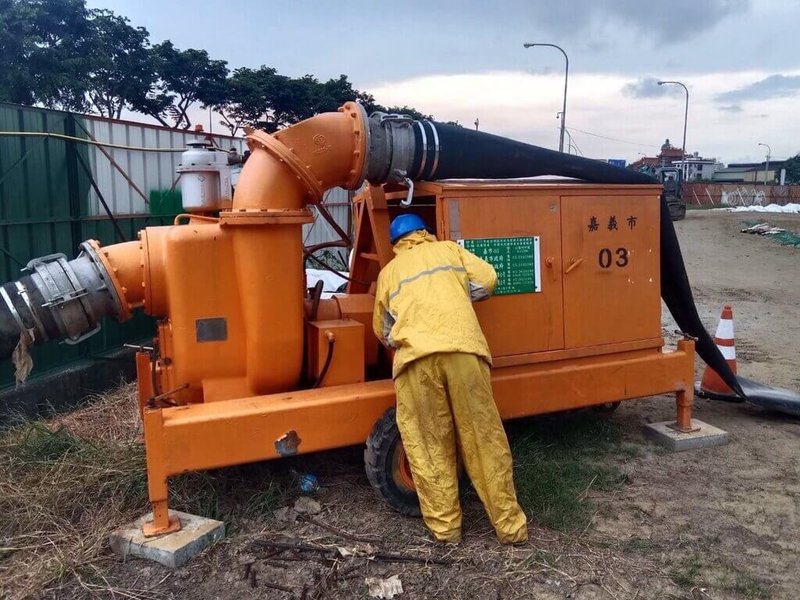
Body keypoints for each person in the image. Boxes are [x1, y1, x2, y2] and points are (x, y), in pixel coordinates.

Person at [372, 213, 528, 545]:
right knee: (484, 439)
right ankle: (510, 528)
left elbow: (383, 331)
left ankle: (447, 531)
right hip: (463, 352)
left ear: (397, 243)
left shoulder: (389, 273)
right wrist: (457, 296)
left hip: (415, 363)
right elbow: (488, 280)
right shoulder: (449, 251)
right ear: (425, 233)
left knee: (429, 447)